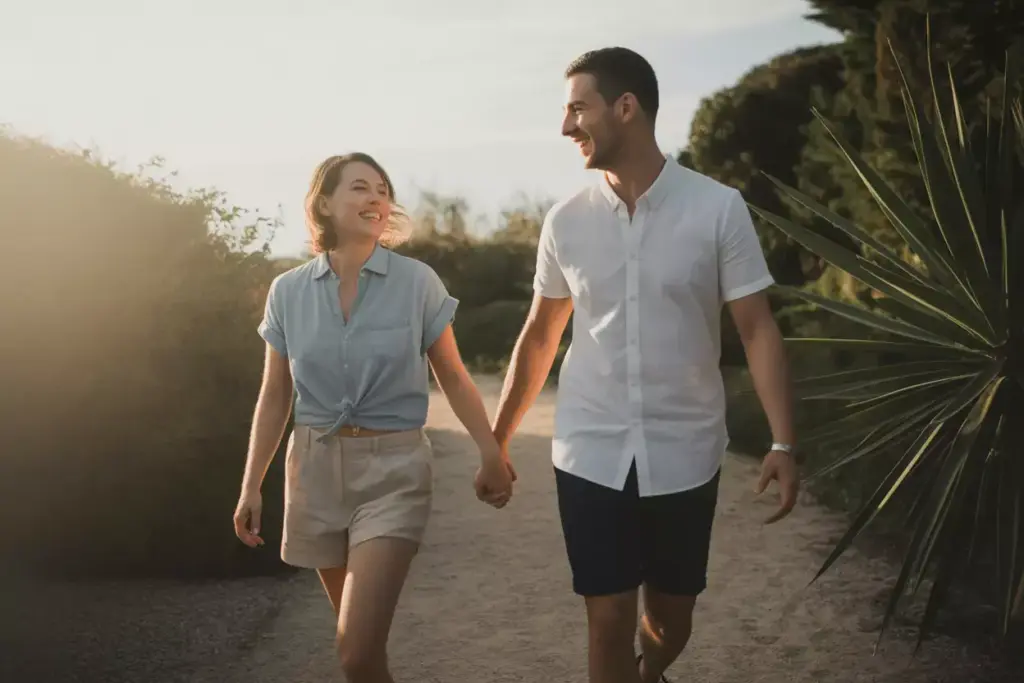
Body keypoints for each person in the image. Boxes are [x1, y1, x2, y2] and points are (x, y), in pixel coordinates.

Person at [491, 48, 799, 683]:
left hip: (685, 447)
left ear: (625, 108)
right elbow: (542, 334)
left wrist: (782, 441)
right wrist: (496, 442)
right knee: (604, 619)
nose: (566, 126)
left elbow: (756, 327)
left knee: (670, 620)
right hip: (589, 447)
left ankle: (649, 670)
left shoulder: (718, 208)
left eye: (578, 108)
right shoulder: (565, 221)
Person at [232, 152, 515, 683]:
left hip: (394, 472)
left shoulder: (417, 283)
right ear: (324, 203)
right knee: (360, 657)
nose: (376, 199)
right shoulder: (287, 291)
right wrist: (252, 485)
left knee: (355, 648)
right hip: (313, 471)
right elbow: (274, 395)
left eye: (382, 190)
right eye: (360, 188)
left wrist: (490, 450)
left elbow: (452, 375)